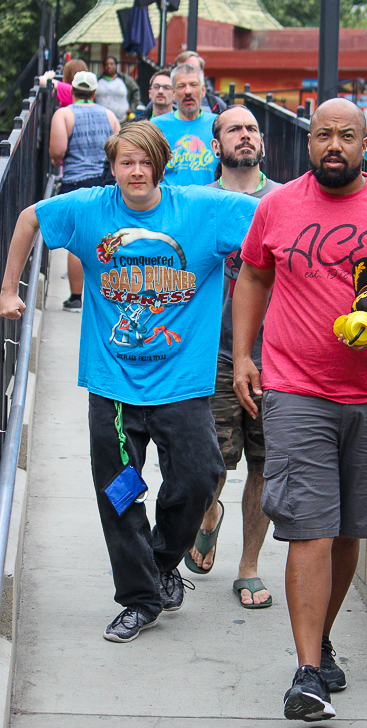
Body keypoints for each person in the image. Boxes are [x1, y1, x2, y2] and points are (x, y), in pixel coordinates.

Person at [232, 97, 367, 721]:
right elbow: (252, 276)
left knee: (350, 531)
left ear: (364, 144)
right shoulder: (278, 205)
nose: (335, 145)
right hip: (296, 388)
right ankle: (306, 673)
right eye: (323, 135)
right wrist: (244, 357)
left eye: (347, 136)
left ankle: (322, 642)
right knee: (311, 528)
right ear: (308, 143)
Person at [0, 120, 259, 644]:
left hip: (183, 386)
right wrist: (8, 288)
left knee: (200, 476)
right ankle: (140, 598)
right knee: (121, 494)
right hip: (114, 386)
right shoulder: (91, 208)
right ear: (113, 167)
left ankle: (161, 562)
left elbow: (277, 221)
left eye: (146, 163)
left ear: (161, 166)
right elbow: (29, 218)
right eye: (126, 163)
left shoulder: (203, 209)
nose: (136, 172)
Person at [184, 105, 279, 610]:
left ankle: (248, 568)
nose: (245, 136)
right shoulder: (198, 202)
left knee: (264, 462)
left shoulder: (285, 201)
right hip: (214, 352)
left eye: (252, 129)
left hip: (277, 357)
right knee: (211, 464)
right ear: (215, 143)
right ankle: (208, 516)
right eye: (234, 130)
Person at [49, 71, 119, 313]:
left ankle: (76, 297)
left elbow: (57, 152)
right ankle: (108, 293)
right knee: (105, 239)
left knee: (78, 241)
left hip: (76, 182)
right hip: (104, 182)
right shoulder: (109, 115)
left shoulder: (64, 113)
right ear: (94, 92)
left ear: (73, 91)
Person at [150, 63, 217, 186]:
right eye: (181, 86)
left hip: (209, 202)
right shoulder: (156, 126)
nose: (188, 91)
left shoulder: (218, 125)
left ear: (202, 91)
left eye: (193, 85)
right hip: (169, 203)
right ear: (174, 93)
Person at [174, 50, 226, 114]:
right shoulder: (169, 103)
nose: (187, 73)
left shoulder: (216, 104)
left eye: (192, 69)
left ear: (202, 73)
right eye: (182, 69)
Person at [95, 56, 141, 123]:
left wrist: (132, 107)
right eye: (106, 64)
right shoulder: (97, 80)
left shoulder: (125, 79)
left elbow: (136, 91)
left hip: (122, 121)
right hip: (100, 121)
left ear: (116, 65)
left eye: (111, 64)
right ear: (103, 66)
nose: (108, 66)